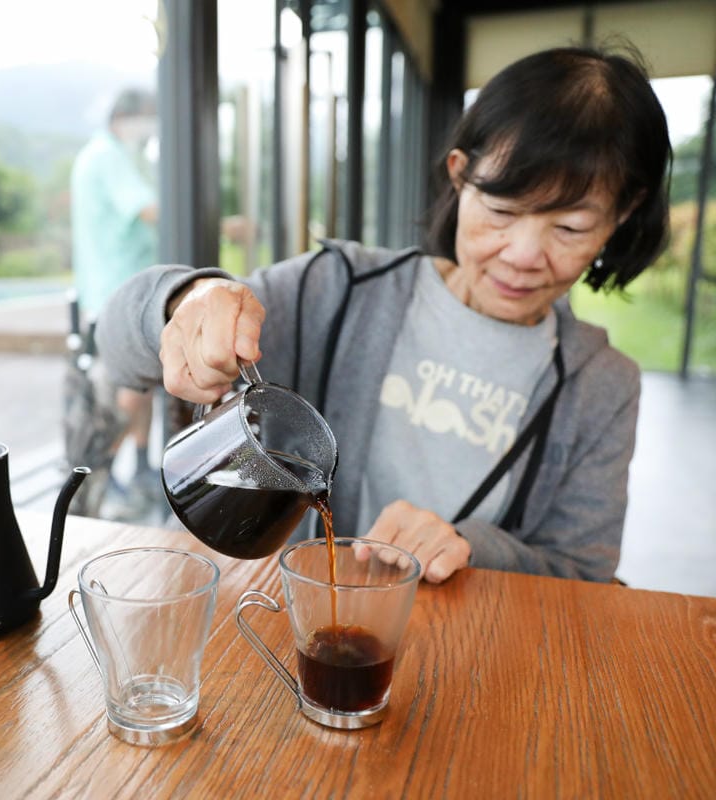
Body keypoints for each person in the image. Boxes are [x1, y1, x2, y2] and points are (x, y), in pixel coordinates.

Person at [95, 45, 672, 583]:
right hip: (268, 624)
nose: (522, 256)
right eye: (499, 211)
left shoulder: (600, 385)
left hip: (461, 658)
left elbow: (584, 574)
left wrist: (473, 546)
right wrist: (186, 301)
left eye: (568, 228)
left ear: (622, 215)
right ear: (458, 174)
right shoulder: (342, 288)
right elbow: (116, 344)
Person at [68, 88, 162, 517]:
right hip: (114, 298)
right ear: (126, 116)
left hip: (125, 292)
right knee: (124, 395)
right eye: (147, 117)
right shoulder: (106, 156)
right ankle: (101, 482)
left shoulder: (118, 154)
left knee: (139, 388)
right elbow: (149, 209)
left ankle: (140, 469)